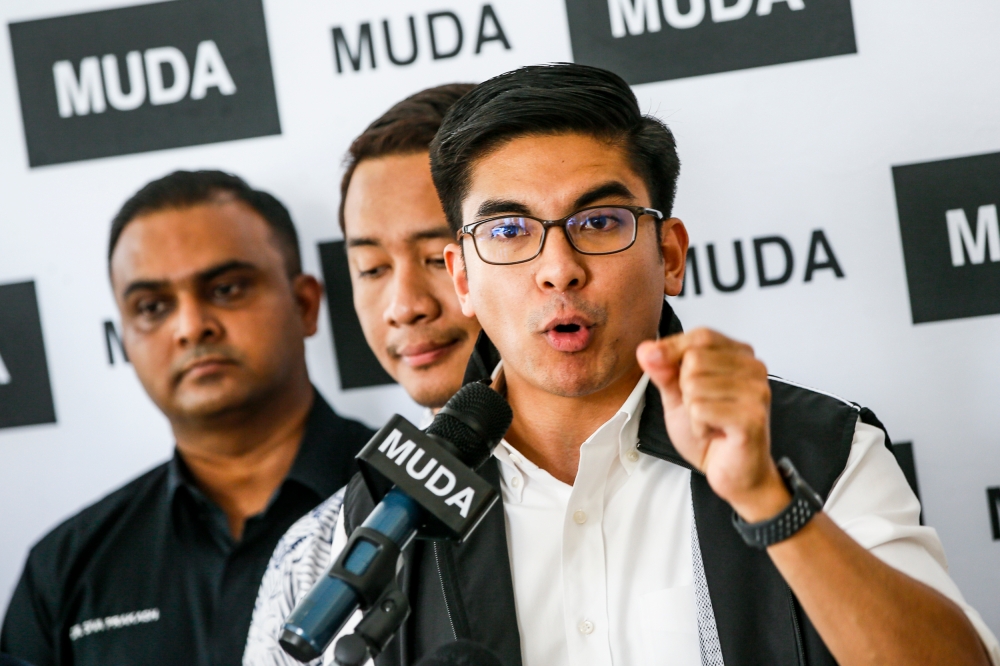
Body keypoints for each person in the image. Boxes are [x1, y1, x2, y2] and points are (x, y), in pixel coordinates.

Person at [333, 64, 1000, 665]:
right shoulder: (393, 500)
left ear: (671, 255)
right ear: (463, 280)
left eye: (599, 222)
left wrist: (768, 500)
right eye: (508, 232)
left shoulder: (817, 445)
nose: (558, 269)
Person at [0, 171, 374, 666]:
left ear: (304, 304)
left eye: (226, 289)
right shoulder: (65, 567)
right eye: (152, 306)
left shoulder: (415, 503)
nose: (191, 326)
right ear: (125, 339)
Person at [242, 84, 481, 664]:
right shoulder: (313, 557)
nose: (404, 305)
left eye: (436, 257)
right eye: (371, 268)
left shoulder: (708, 481)